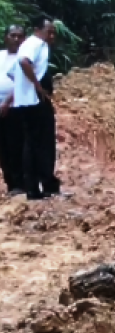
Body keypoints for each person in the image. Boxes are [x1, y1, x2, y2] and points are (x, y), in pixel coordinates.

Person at [12, 17, 61, 199]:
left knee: (31, 144)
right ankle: (46, 184)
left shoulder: (27, 44)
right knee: (43, 143)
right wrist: (37, 86)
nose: (51, 36)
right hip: (35, 101)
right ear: (37, 30)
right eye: (49, 31)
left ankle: (33, 188)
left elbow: (13, 72)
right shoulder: (37, 44)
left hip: (26, 101)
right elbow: (24, 62)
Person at [0, 24, 26, 195]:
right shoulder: (0, 56)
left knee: (16, 145)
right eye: (12, 35)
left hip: (16, 108)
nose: (16, 39)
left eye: (19, 36)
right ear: (5, 37)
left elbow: (23, 83)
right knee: (2, 147)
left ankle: (19, 183)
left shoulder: (24, 59)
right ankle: (10, 182)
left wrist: (7, 102)